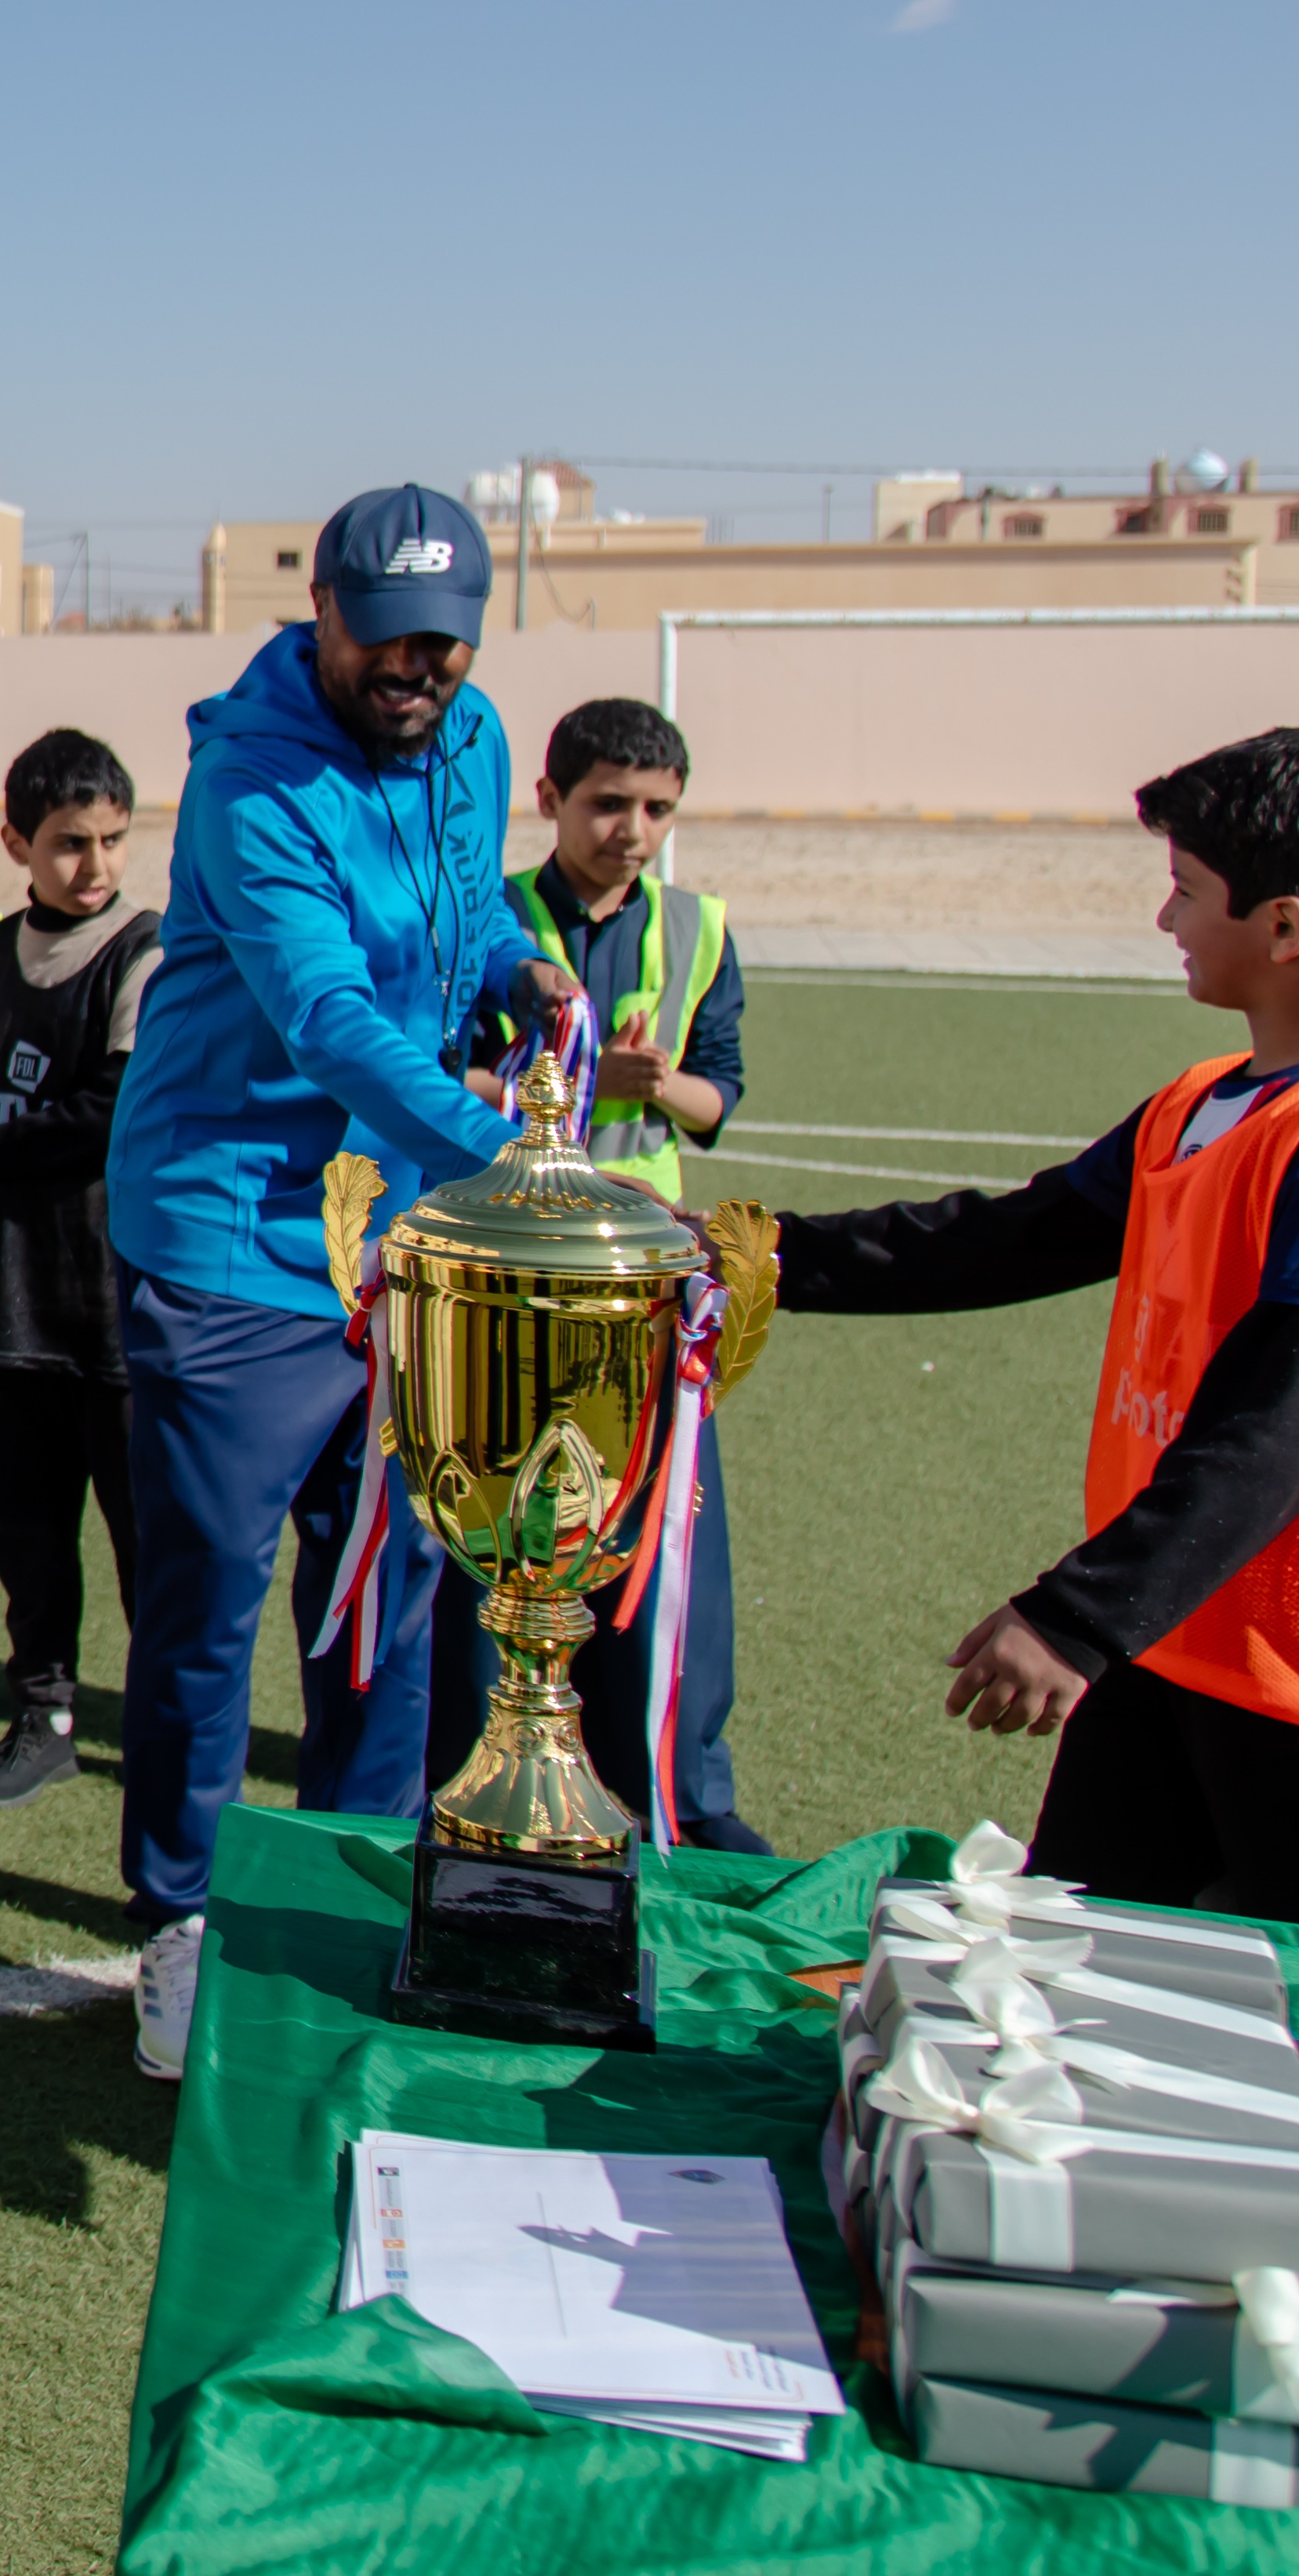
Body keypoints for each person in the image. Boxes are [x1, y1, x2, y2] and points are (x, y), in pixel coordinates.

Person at [767, 730, 1299, 1940]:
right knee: (1088, 1971)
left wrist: (1076, 1615)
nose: (1165, 918)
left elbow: (1280, 1430)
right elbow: (1010, 1238)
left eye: (1188, 890)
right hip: (1178, 1630)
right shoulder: (1203, 1102)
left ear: (1285, 928)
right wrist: (752, 1255)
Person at [101, 485, 572, 2082]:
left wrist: (521, 964)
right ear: (324, 606)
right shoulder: (251, 774)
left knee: (392, 1580)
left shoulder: (479, 731)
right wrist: (498, 1149)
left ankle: (354, 1879)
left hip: (395, 1233)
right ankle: (179, 1914)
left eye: (446, 641)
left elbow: (464, 911)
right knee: (208, 1609)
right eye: (389, 636)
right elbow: (320, 1014)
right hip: (234, 1234)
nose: (417, 668)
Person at [426, 698, 763, 1852]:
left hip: (645, 1283)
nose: (633, 830)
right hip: (511, 1280)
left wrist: (647, 1088)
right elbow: (440, 1073)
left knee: (658, 1538)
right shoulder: (494, 922)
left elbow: (718, 1099)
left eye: (658, 809)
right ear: (551, 803)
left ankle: (673, 1786)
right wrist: (572, 1086)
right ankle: (479, 1767)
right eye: (609, 803)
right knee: (500, 1521)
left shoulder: (701, 928)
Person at [0, 729, 162, 1811]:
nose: (98, 866)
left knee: (144, 1536)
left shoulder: (148, 950)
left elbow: (112, 1114)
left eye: (115, 840)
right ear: (17, 842)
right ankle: (46, 1715)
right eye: (72, 844)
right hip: (10, 1288)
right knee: (20, 1522)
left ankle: (167, 1736)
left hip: (115, 1300)